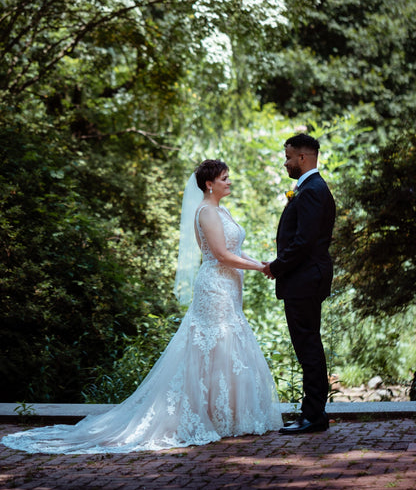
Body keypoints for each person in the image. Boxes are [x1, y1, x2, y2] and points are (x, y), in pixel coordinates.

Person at [2, 159, 282, 454]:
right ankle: (203, 415)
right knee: (211, 345)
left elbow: (235, 250)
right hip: (215, 288)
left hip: (229, 288)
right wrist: (260, 269)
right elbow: (222, 255)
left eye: (229, 177)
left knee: (226, 346)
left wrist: (262, 263)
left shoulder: (222, 210)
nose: (230, 181)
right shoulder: (207, 213)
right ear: (209, 184)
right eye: (225, 178)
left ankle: (225, 415)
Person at [263, 134, 336, 434]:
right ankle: (314, 414)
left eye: (289, 156)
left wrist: (276, 267)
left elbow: (303, 242)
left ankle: (314, 416)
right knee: (309, 345)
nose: (285, 162)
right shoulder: (311, 188)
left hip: (304, 278)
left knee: (308, 346)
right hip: (307, 277)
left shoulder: (311, 191)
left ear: (303, 158)